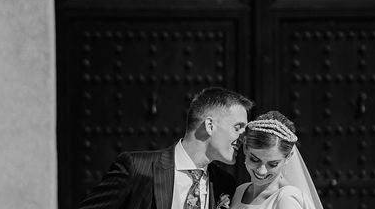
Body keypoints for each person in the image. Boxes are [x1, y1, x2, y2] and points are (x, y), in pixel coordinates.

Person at [79, 86, 253, 209]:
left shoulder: (225, 183)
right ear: (209, 125)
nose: (244, 138)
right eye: (238, 128)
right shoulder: (137, 168)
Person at [230, 111, 324, 209]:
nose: (261, 171)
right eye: (254, 159)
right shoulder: (239, 191)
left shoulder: (287, 199)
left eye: (273, 164)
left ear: (288, 157)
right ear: (245, 147)